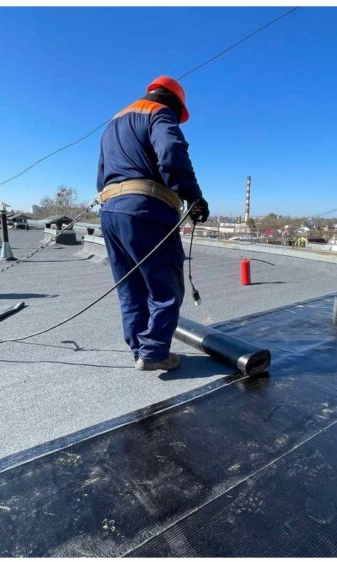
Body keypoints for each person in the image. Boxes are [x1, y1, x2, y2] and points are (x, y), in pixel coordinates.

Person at [96, 76, 209, 372]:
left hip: (110, 211)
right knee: (166, 285)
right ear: (173, 102)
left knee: (129, 287)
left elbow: (101, 174)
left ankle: (140, 350)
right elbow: (171, 154)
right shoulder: (159, 113)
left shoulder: (113, 122)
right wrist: (194, 197)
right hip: (147, 210)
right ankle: (155, 351)